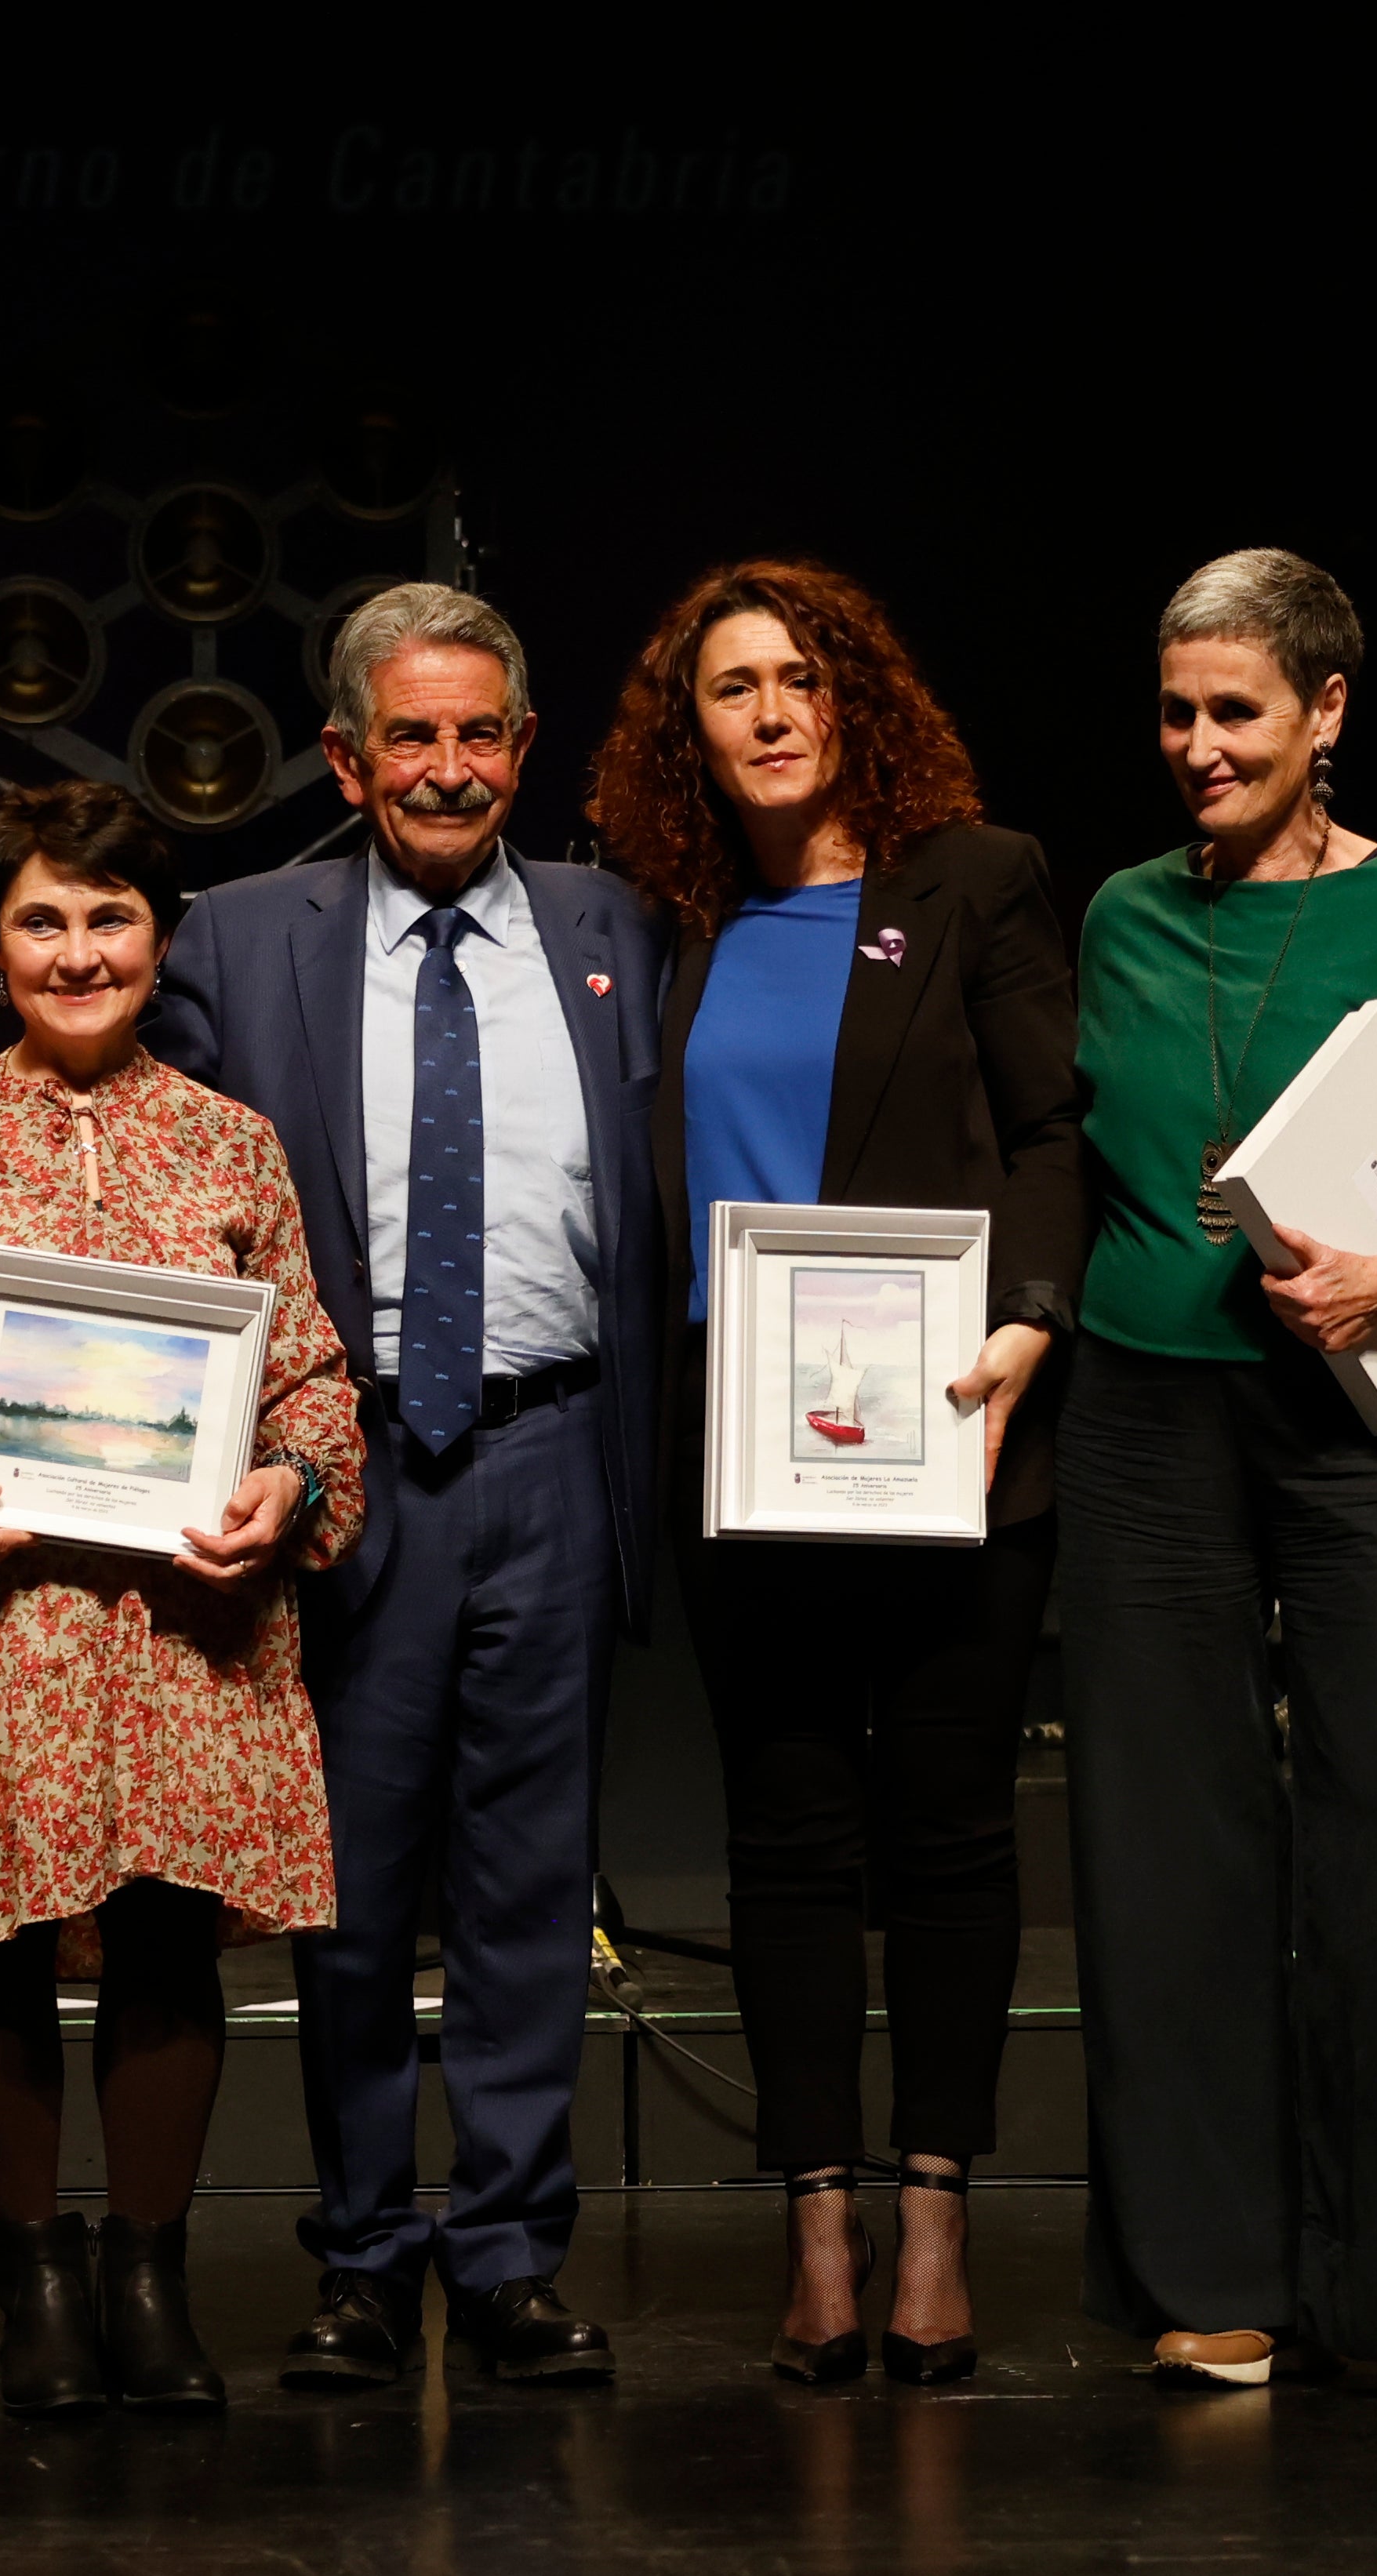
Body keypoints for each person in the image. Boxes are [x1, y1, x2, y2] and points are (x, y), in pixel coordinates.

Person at [0, 584, 668, 2386]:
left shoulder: (616, 930)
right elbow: (69, 1030)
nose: (447, 768)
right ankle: (365, 2257)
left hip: (539, 1436)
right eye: (413, 735)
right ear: (347, 755)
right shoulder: (245, 929)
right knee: (349, 1896)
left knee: (535, 1885)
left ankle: (514, 2255)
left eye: (481, 735)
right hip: (329, 1468)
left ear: (521, 749)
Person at [1060, 548, 1377, 2406]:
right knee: (1169, 1841)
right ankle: (1210, 2271)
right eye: (1178, 713)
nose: (1200, 746)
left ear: (1327, 713)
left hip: (1369, 1414)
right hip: (1144, 1418)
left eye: (1238, 713)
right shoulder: (1120, 913)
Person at [0, 783, 365, 2415]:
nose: (79, 948)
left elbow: (309, 1380)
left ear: (161, 941)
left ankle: (150, 2275)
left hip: (185, 1623)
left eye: (110, 919)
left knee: (172, 1935)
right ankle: (36, 2283)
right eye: (45, 919)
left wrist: (291, 1485)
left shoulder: (230, 1143)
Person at [583, 559, 1085, 2385]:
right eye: (733, 687)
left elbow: (1052, 1128)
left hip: (955, 1427)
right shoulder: (664, 917)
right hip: (746, 1443)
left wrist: (1030, 1316)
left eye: (801, 677)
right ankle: (815, 2217)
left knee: (950, 1839)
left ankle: (938, 2210)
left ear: (858, 694)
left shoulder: (979, 881)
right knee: (787, 1841)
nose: (773, 712)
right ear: (687, 731)